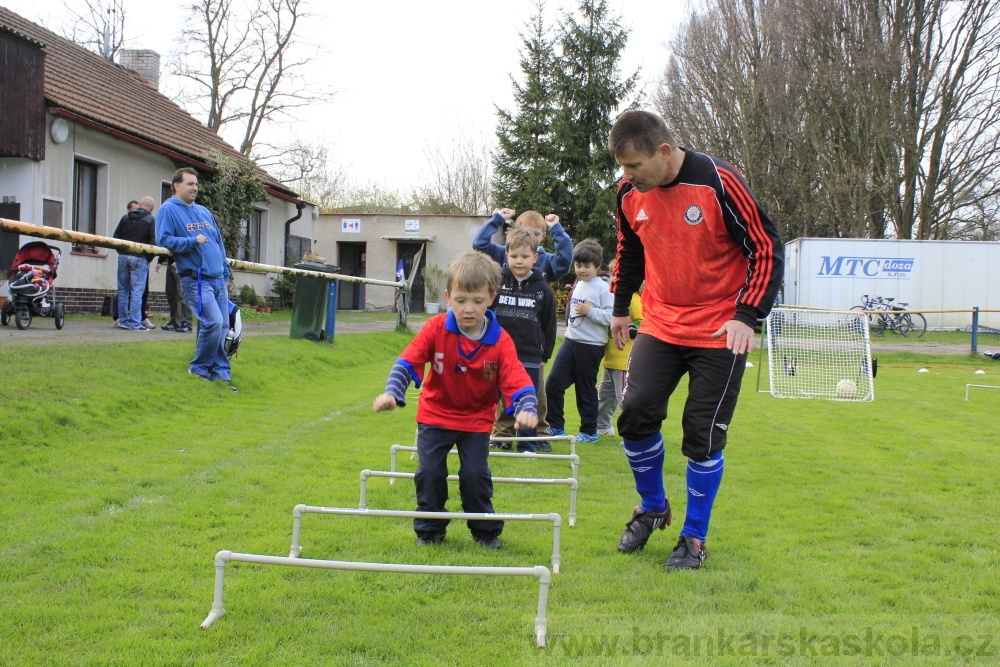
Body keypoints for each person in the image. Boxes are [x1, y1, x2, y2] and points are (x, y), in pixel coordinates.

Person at [607, 109, 783, 570]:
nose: (626, 176)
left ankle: (693, 538)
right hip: (662, 323)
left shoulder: (718, 182)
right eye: (622, 167)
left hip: (720, 328)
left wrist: (748, 315)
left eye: (633, 166)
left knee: (701, 435)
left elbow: (765, 246)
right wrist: (621, 308)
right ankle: (651, 507)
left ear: (663, 152)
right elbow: (629, 249)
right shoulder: (628, 193)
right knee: (636, 411)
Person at [373, 251, 538, 549]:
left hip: (476, 419)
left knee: (475, 475)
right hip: (435, 414)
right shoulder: (435, 328)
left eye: (477, 300)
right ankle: (430, 530)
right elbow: (407, 362)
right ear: (449, 297)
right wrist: (392, 392)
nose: (469, 309)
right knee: (429, 473)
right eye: (461, 300)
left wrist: (527, 407)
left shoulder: (500, 341)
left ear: (491, 298)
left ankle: (485, 532)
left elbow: (517, 378)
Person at [474, 207, 571, 443]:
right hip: (501, 346)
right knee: (499, 392)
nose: (520, 258)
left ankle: (535, 435)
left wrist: (557, 229)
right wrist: (497, 218)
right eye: (523, 232)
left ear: (542, 239)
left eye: (535, 235)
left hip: (530, 347)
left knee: (533, 393)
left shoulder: (545, 263)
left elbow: (566, 260)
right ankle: (503, 435)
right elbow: (479, 243)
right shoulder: (502, 257)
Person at [155, 167, 237, 392]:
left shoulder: (204, 211)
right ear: (177, 186)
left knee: (222, 326)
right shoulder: (168, 210)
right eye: (190, 184)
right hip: (195, 279)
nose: (195, 188)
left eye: (196, 184)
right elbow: (163, 239)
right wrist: (191, 241)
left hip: (217, 278)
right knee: (213, 322)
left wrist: (225, 273)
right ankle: (199, 368)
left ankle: (220, 373)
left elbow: (218, 243)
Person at [489, 228, 557, 453]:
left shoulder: (543, 290)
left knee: (528, 401)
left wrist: (544, 355)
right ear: (506, 255)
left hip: (529, 357)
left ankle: (527, 445)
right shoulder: (496, 283)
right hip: (495, 355)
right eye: (515, 255)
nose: (519, 261)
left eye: (525, 256)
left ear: (535, 258)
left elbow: (549, 324)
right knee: (489, 399)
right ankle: (487, 439)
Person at [544, 238, 613, 444]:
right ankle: (555, 426)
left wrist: (590, 311)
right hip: (570, 342)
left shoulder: (604, 288)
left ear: (597, 266)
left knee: (585, 389)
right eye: (578, 265)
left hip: (591, 347)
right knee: (553, 384)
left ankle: (589, 432)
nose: (581, 270)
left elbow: (611, 317)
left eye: (586, 266)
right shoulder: (579, 284)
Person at [596, 263, 642, 438]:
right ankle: (603, 427)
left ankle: (632, 434)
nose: (615, 278)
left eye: (619, 275)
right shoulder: (610, 297)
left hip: (624, 361)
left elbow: (642, 323)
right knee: (606, 397)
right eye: (612, 274)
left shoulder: (633, 299)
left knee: (624, 399)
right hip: (609, 360)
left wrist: (625, 328)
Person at [112, 196, 155, 331]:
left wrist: (122, 252)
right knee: (137, 291)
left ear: (140, 204)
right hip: (140, 258)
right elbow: (154, 242)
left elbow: (115, 238)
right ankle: (135, 323)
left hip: (123, 257)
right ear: (152, 209)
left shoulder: (125, 218)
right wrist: (147, 258)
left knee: (123, 289)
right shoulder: (151, 220)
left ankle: (122, 320)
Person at [156, 255, 193, 333]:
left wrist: (180, 260)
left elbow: (188, 246)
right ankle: (174, 321)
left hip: (182, 264)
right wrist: (160, 261)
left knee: (182, 294)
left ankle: (186, 322)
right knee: (171, 294)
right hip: (170, 264)